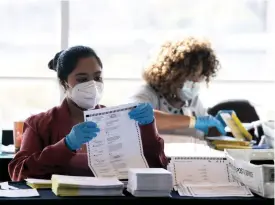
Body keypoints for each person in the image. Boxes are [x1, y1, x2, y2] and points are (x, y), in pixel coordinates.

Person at [8, 46, 167, 181]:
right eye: (82, 79)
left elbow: (156, 167)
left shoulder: (117, 120)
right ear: (64, 83)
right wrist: (65, 145)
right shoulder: (39, 124)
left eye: (97, 77)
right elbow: (19, 172)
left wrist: (148, 129)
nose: (93, 85)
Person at [128, 37, 227, 137]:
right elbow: (136, 117)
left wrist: (216, 127)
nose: (195, 82)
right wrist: (193, 121)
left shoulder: (191, 100)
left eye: (200, 76)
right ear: (172, 73)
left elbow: (203, 132)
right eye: (192, 76)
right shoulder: (146, 93)